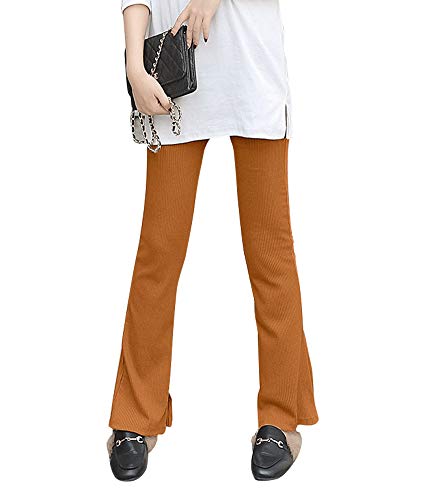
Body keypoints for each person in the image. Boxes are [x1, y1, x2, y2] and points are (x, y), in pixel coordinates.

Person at [108, 0, 319, 482]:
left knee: (270, 255)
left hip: (252, 74)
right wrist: (134, 63)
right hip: (171, 79)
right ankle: (136, 415)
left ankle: (281, 417)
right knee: (158, 254)